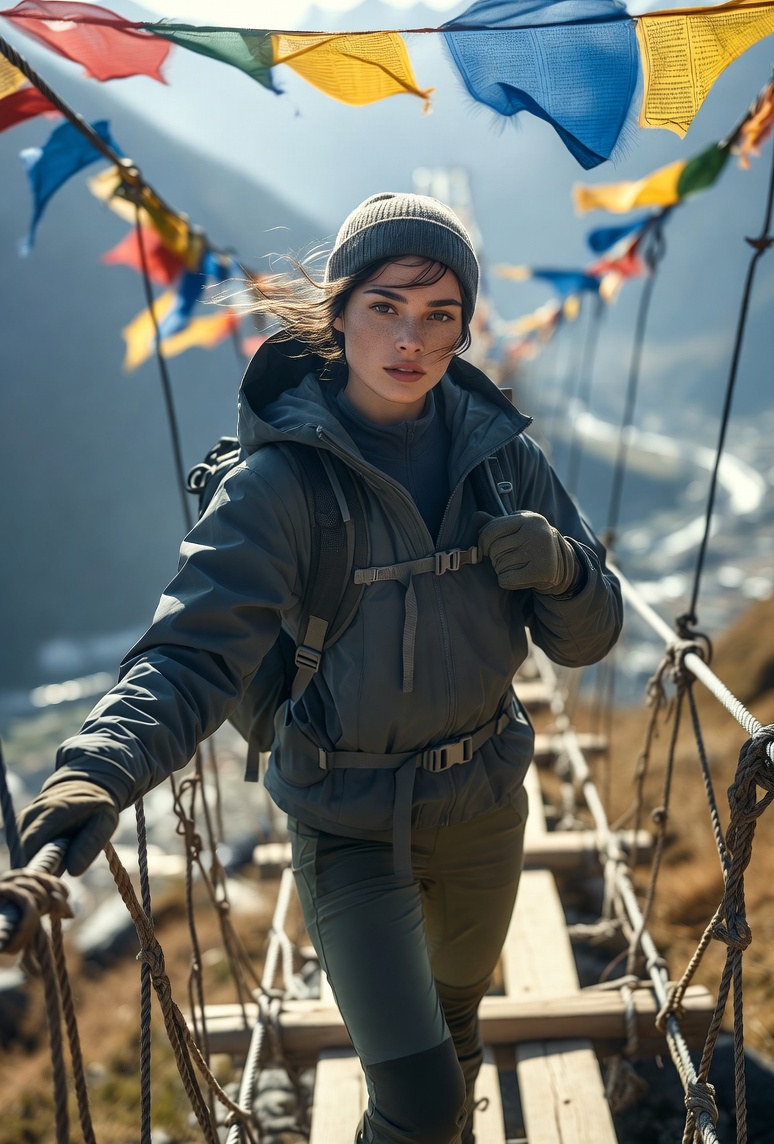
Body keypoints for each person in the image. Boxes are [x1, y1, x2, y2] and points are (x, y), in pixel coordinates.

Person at [18, 193, 622, 1144]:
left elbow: (590, 638)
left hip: (488, 805)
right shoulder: (282, 481)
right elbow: (192, 651)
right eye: (386, 305)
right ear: (337, 311)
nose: (412, 339)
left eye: (441, 315)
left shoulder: (506, 460)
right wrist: (96, 767)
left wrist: (563, 568)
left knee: (456, 1034)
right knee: (418, 1101)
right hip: (347, 822)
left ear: (466, 328)